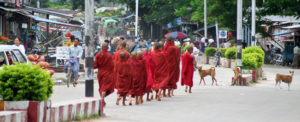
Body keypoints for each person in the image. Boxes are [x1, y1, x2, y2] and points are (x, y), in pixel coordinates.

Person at [94, 42, 115, 107]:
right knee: (105, 88)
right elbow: (112, 66)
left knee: (102, 87)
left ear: (101, 48)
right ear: (108, 48)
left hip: (100, 73)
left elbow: (95, 65)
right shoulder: (109, 56)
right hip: (107, 73)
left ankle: (103, 100)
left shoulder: (98, 55)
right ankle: (102, 100)